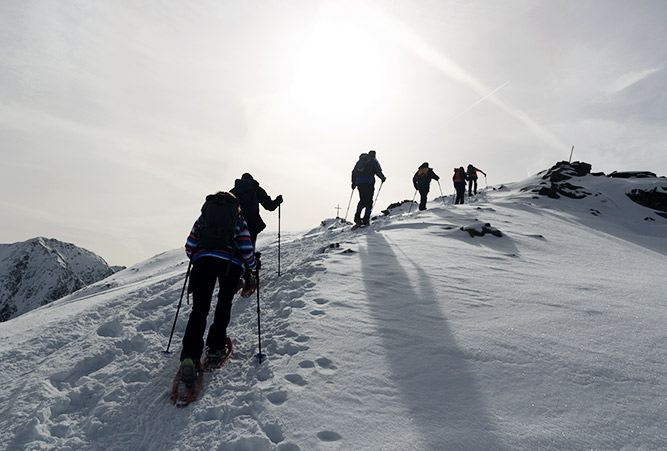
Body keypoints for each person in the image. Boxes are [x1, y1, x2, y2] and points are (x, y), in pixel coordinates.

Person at [179, 191, 257, 387]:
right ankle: (215, 348)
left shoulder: (204, 216)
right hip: (230, 265)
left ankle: (189, 356)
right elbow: (246, 248)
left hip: (203, 261)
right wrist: (254, 267)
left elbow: (190, 245)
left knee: (199, 309)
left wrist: (200, 256)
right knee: (223, 304)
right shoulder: (238, 218)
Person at [231, 173, 283, 245]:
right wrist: (278, 200)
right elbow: (270, 206)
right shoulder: (256, 189)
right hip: (252, 223)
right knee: (249, 248)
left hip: (236, 224)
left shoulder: (234, 191)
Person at [351, 150, 386, 226]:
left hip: (359, 183)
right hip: (369, 182)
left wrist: (353, 183)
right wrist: (382, 178)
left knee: (362, 200)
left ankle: (357, 217)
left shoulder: (359, 162)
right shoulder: (373, 161)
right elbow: (378, 170)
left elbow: (353, 172)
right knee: (369, 201)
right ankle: (366, 219)